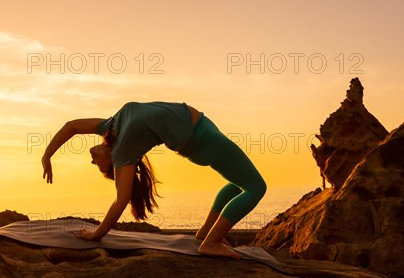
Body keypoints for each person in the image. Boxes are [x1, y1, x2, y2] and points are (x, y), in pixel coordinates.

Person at [41, 101, 266, 258]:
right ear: (113, 163)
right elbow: (121, 200)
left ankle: (206, 233)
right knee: (256, 187)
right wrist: (96, 235)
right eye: (99, 167)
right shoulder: (123, 153)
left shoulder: (109, 127)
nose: (92, 162)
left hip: (202, 132)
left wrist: (47, 154)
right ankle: (211, 243)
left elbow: (71, 126)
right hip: (202, 139)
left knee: (238, 184)